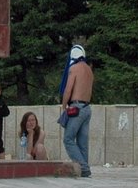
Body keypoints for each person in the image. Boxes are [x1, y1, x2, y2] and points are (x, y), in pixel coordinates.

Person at [59, 44, 93, 178]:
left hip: (76, 107)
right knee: (82, 142)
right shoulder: (89, 70)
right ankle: (84, 171)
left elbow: (68, 89)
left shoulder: (73, 68)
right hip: (87, 108)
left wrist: (64, 106)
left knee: (68, 139)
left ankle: (83, 167)